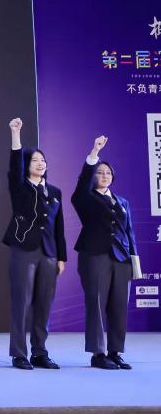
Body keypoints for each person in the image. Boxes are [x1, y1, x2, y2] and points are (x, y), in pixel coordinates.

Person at [1, 118, 66, 370]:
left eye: (43, 160)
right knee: (21, 302)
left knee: (44, 304)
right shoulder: (20, 186)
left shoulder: (55, 192)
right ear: (27, 165)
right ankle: (19, 353)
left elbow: (59, 227)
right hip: (24, 250)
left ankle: (40, 352)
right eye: (35, 160)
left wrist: (61, 257)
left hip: (49, 254)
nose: (40, 163)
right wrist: (15, 134)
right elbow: (14, 164)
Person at [72, 134, 140, 370]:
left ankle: (115, 352)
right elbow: (83, 182)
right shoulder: (85, 197)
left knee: (119, 307)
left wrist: (134, 262)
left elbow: (129, 232)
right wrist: (94, 153)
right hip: (94, 256)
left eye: (108, 173)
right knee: (97, 305)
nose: (104, 176)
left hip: (122, 259)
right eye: (100, 172)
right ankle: (98, 354)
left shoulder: (123, 202)